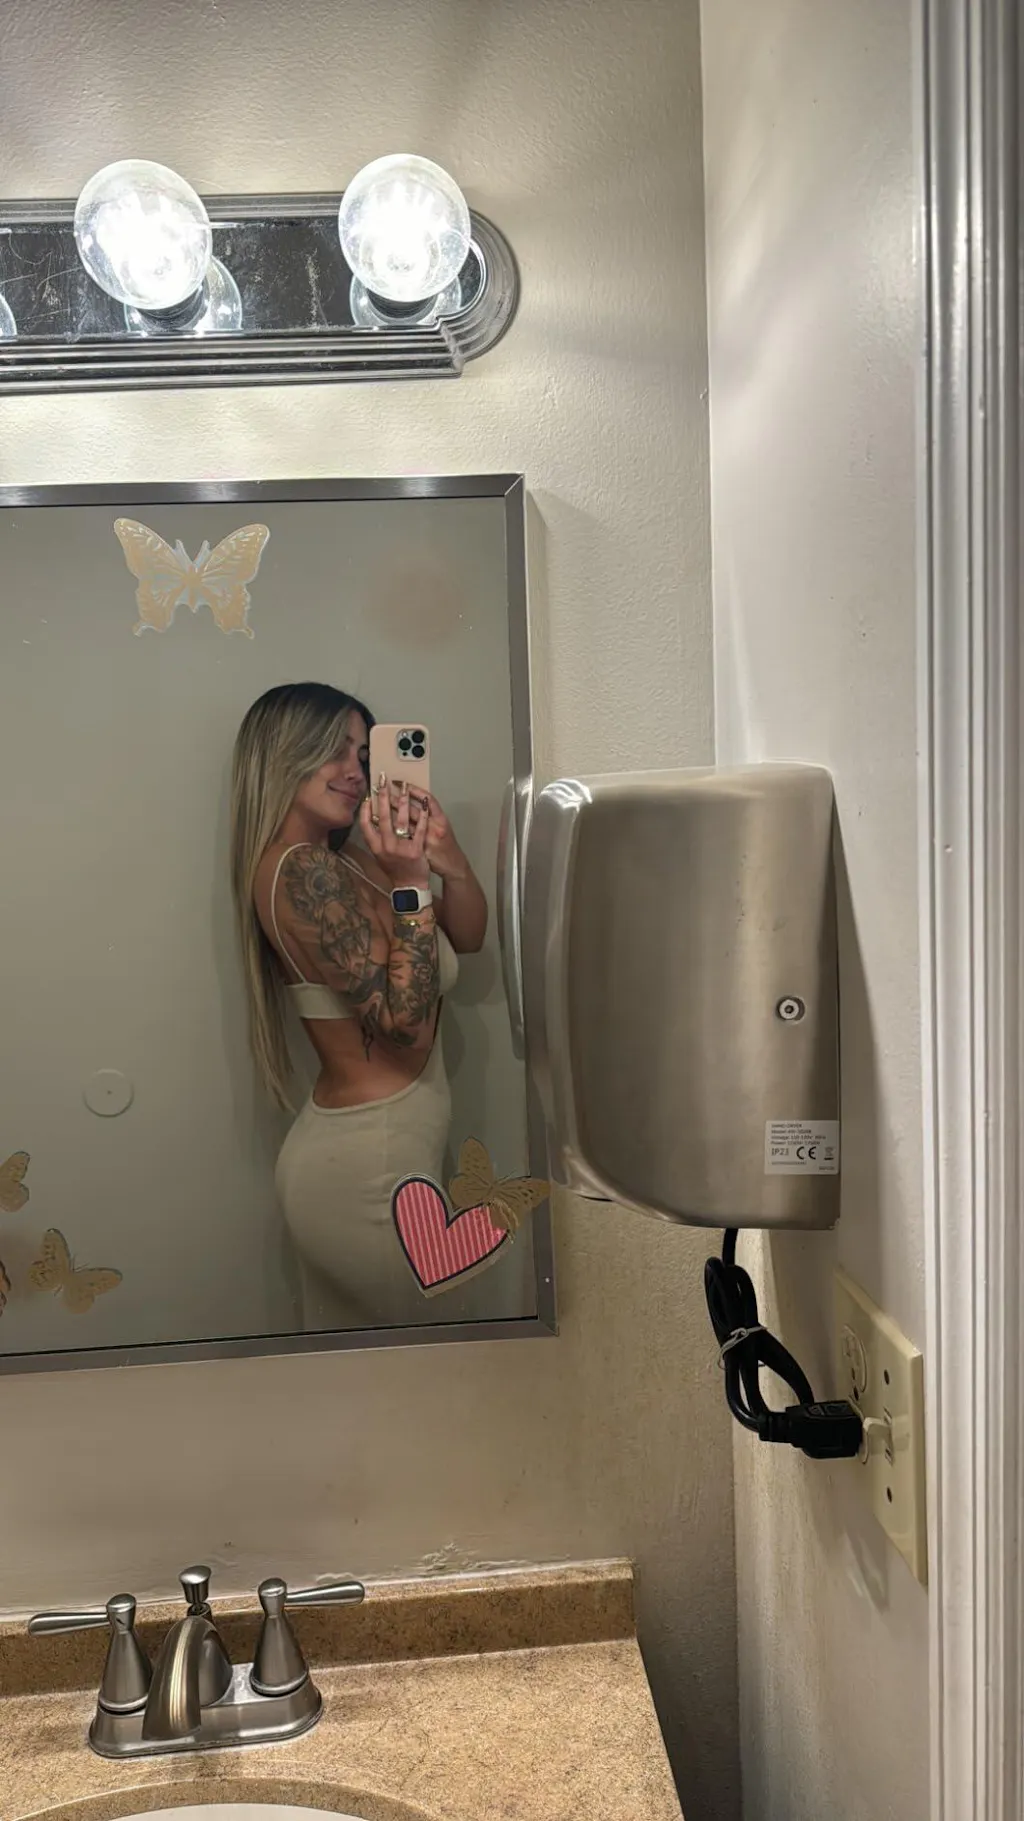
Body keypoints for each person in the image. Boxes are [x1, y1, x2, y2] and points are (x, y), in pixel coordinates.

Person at [230, 681, 488, 1329]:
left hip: (386, 1151)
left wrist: (449, 865)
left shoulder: (345, 861)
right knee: (425, 1361)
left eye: (362, 754)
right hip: (365, 1169)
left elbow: (468, 938)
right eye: (333, 750)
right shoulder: (301, 871)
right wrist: (410, 883)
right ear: (283, 755)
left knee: (383, 1368)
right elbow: (404, 1024)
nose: (355, 771)